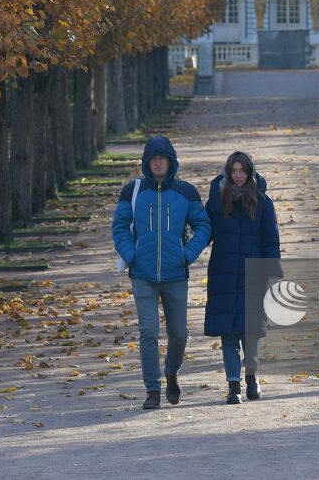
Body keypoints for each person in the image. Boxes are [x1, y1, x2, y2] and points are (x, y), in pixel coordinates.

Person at [112, 135, 210, 410]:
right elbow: (120, 226)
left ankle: (171, 371)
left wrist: (187, 254)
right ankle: (152, 390)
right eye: (153, 158)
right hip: (142, 275)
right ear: (146, 162)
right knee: (148, 332)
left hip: (175, 274)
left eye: (162, 158)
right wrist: (131, 255)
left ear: (171, 162)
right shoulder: (132, 191)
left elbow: (203, 226)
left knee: (179, 334)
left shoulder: (186, 192)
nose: (158, 163)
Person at [204, 151, 281, 404]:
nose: (238, 176)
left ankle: (252, 377)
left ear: (250, 173)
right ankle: (232, 384)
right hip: (224, 272)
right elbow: (205, 232)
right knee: (228, 331)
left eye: (242, 171)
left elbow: (271, 241)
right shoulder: (217, 202)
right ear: (228, 173)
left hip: (253, 274)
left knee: (250, 331)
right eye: (233, 171)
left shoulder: (262, 202)